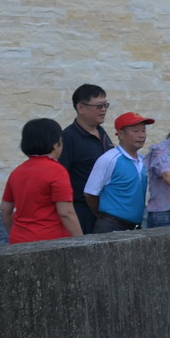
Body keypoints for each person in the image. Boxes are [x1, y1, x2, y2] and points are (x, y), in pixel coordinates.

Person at [1, 119, 84, 245]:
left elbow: (5, 209)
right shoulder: (57, 171)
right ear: (55, 144)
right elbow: (66, 213)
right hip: (51, 241)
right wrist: (82, 241)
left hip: (19, 239)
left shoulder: (17, 172)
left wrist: (14, 233)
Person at [82, 112, 153, 232]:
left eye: (143, 131)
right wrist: (104, 216)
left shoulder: (142, 161)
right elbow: (90, 194)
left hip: (135, 227)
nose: (141, 135)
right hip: (111, 226)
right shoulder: (109, 159)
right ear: (120, 134)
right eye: (135, 131)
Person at [59, 83, 112, 233]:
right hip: (82, 212)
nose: (103, 110)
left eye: (105, 105)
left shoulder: (102, 133)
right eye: (98, 106)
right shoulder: (68, 138)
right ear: (81, 108)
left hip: (106, 211)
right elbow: (60, 176)